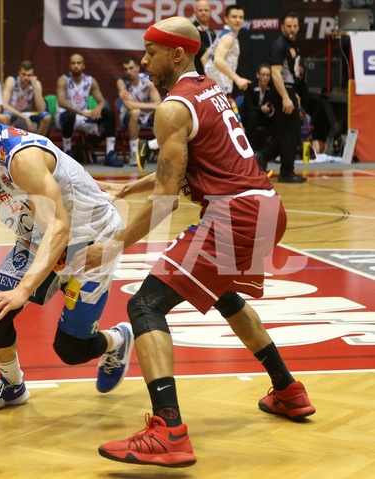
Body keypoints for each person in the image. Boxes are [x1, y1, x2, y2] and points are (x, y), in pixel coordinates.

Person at [75, 17, 314, 468]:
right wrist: (129, 188)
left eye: (150, 52)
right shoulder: (209, 89)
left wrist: (113, 246)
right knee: (222, 293)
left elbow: (168, 200)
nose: (143, 61)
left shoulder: (172, 108)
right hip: (265, 207)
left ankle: (168, 431)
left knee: (145, 306)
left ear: (178, 54)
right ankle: (288, 390)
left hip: (236, 214)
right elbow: (182, 169)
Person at [0, 78, 135, 412]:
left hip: (92, 237)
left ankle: (118, 338)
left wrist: (25, 289)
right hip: (39, 236)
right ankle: (12, 385)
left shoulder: (21, 158)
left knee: (72, 350)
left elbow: (60, 227)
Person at [254, 13, 307, 183]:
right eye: (289, 26)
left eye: (295, 26)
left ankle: (262, 156)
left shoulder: (291, 45)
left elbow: (288, 74)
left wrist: (293, 93)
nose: (292, 29)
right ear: (282, 27)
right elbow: (275, 73)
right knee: (289, 131)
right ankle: (286, 171)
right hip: (281, 92)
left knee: (290, 132)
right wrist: (285, 97)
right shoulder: (279, 44)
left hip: (288, 90)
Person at [56, 53, 122, 167]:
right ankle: (68, 152)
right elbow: (61, 102)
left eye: (78, 63)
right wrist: (81, 112)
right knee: (70, 115)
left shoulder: (90, 80)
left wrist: (97, 108)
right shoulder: (63, 80)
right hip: (65, 117)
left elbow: (101, 101)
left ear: (83, 66)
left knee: (109, 113)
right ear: (69, 66)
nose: (76, 65)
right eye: (73, 63)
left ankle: (110, 154)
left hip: (83, 117)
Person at [116, 56, 161, 166]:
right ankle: (134, 154)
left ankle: (162, 150)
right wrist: (151, 106)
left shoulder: (148, 81)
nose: (128, 72)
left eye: (131, 68)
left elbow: (158, 104)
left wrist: (136, 104)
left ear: (137, 68)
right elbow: (129, 106)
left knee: (159, 113)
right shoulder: (121, 82)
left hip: (147, 114)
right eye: (125, 69)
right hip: (127, 116)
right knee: (135, 112)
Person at [202, 5, 251, 97]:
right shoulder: (229, 38)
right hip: (221, 90)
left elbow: (204, 58)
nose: (238, 20)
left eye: (241, 17)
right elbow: (218, 60)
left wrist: (211, 77)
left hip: (213, 88)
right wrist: (238, 79)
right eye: (234, 17)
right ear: (226, 19)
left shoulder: (220, 37)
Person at [0, 60, 52, 136]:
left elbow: (41, 109)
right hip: (12, 113)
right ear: (19, 73)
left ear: (33, 75)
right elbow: (4, 105)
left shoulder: (36, 83)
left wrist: (34, 86)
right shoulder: (11, 81)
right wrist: (25, 118)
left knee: (47, 117)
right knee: (2, 117)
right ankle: (9, 142)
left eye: (29, 75)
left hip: (26, 112)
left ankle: (37, 143)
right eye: (24, 74)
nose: (26, 78)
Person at [240, 64, 275, 152]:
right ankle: (249, 149)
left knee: (277, 116)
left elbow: (271, 105)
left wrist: (271, 110)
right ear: (257, 75)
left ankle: (274, 150)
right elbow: (249, 107)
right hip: (248, 115)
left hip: (262, 117)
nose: (265, 78)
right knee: (253, 116)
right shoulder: (250, 87)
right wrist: (261, 108)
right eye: (263, 75)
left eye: (268, 75)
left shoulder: (271, 89)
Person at [191, 0, 216, 75]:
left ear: (210, 12)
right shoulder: (192, 29)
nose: (203, 12)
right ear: (195, 13)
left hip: (210, 74)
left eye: (206, 10)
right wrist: (213, 49)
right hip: (197, 73)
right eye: (200, 10)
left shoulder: (212, 32)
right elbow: (202, 52)